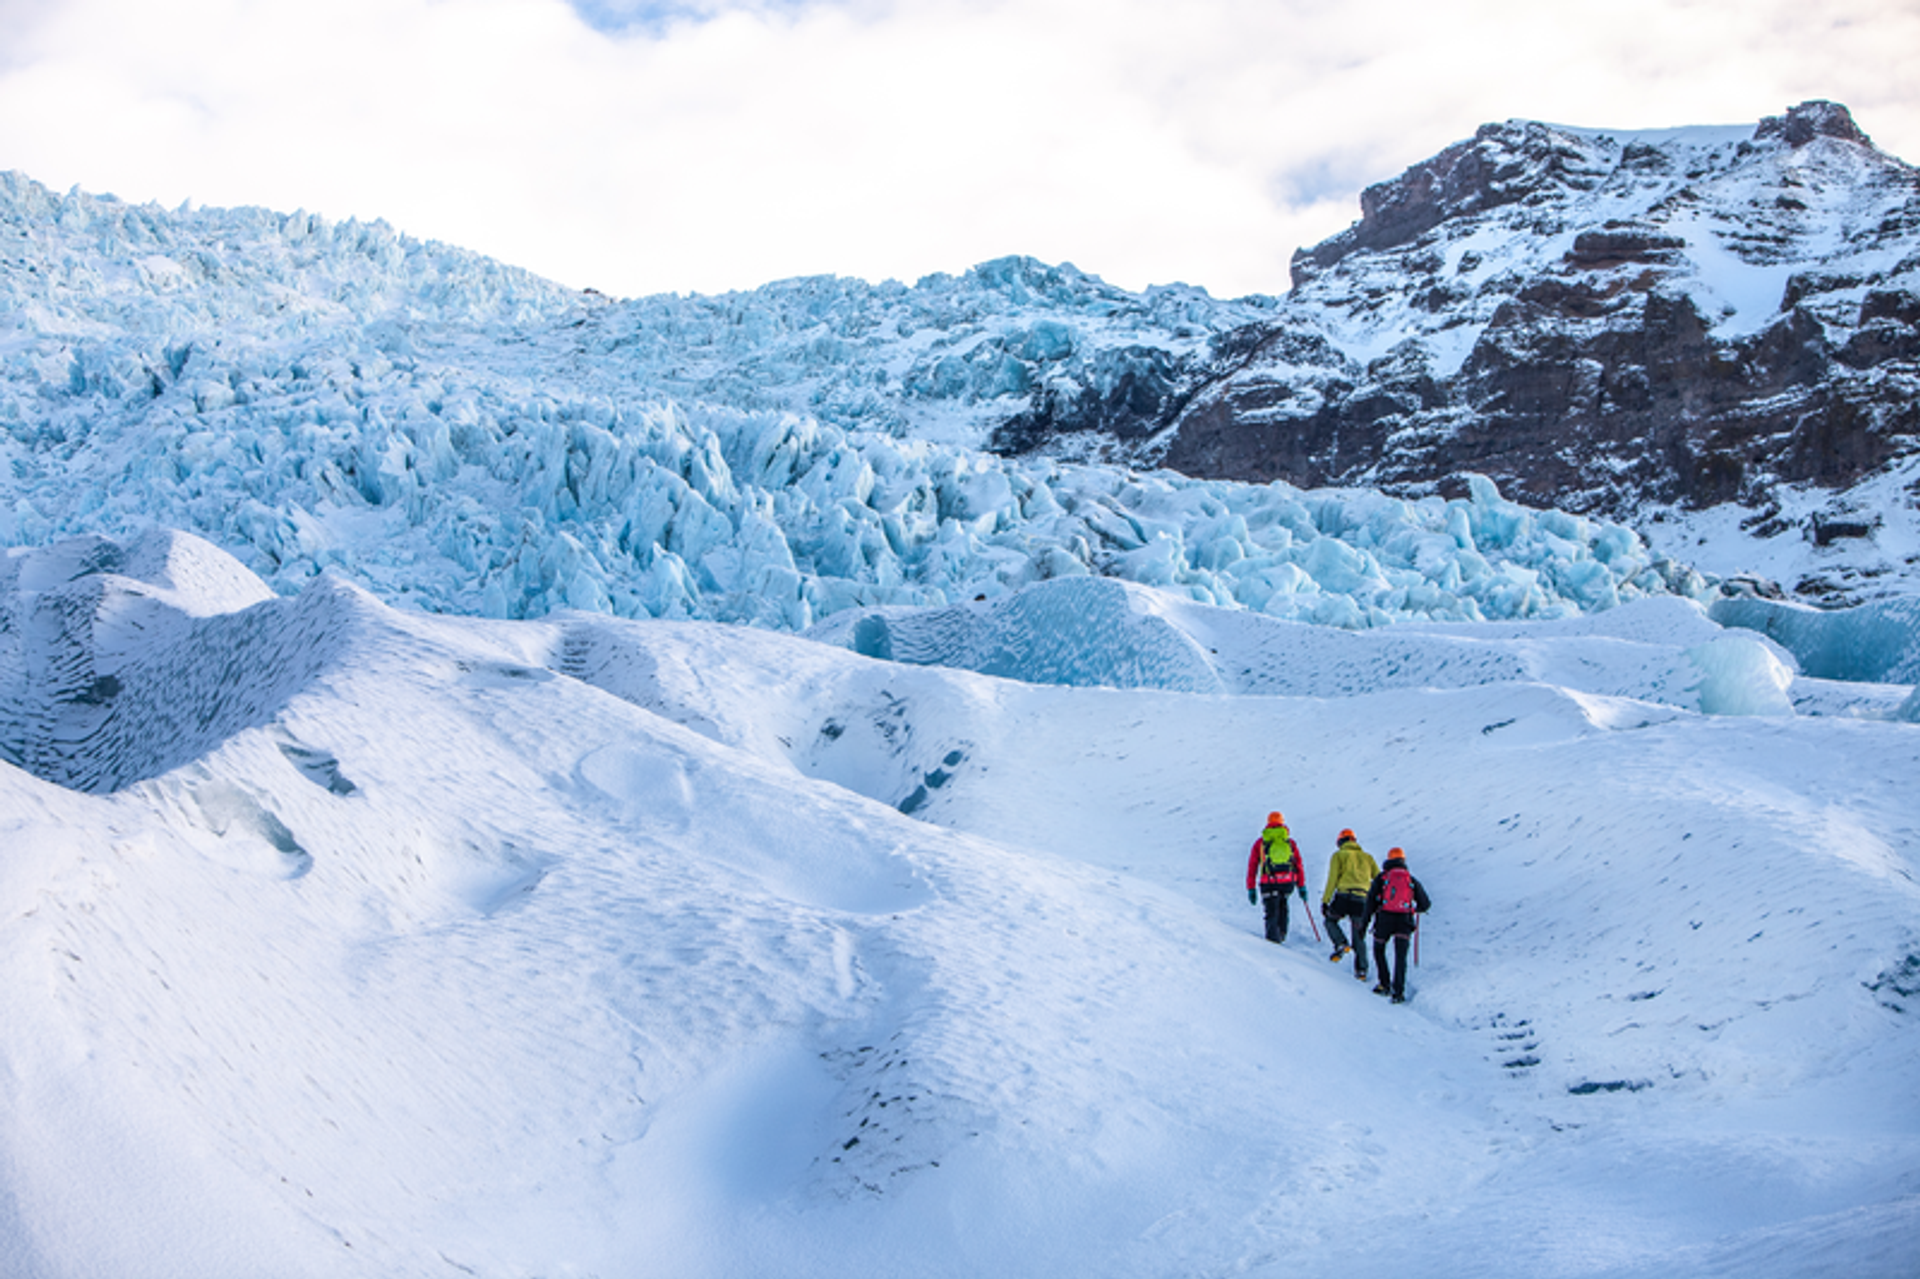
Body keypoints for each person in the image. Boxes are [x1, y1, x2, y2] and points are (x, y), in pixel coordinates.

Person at [1366, 847, 1431, 1004]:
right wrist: (1415, 909)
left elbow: (1370, 902)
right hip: (1404, 920)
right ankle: (1398, 992)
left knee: (1379, 949)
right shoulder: (1411, 879)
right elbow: (1425, 904)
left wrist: (1365, 922)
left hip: (1384, 920)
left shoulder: (1382, 878)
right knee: (1400, 957)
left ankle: (1384, 984)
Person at [1321, 829, 1379, 980]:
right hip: (1362, 899)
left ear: (1340, 842)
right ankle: (1362, 970)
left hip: (1343, 896)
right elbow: (1379, 880)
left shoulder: (1339, 855)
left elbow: (1332, 879)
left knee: (1330, 920)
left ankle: (1340, 943)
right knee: (1358, 934)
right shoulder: (1368, 858)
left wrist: (1325, 901)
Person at [1245, 811, 1307, 943]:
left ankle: (1273, 943)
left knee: (1271, 911)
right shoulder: (1289, 842)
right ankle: (1282, 934)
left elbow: (1253, 866)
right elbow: (1298, 865)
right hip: (1287, 882)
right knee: (1283, 906)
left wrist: (1251, 888)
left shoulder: (1261, 843)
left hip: (1268, 882)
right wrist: (1301, 886)